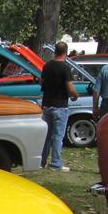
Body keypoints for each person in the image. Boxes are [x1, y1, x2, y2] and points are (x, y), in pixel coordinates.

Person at [40, 41, 78, 172]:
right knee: (57, 136)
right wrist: (75, 95)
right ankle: (56, 163)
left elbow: (41, 82)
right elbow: (70, 87)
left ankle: (42, 161)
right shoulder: (65, 68)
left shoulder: (47, 65)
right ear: (65, 52)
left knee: (47, 135)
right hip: (60, 105)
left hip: (47, 104)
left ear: (55, 51)